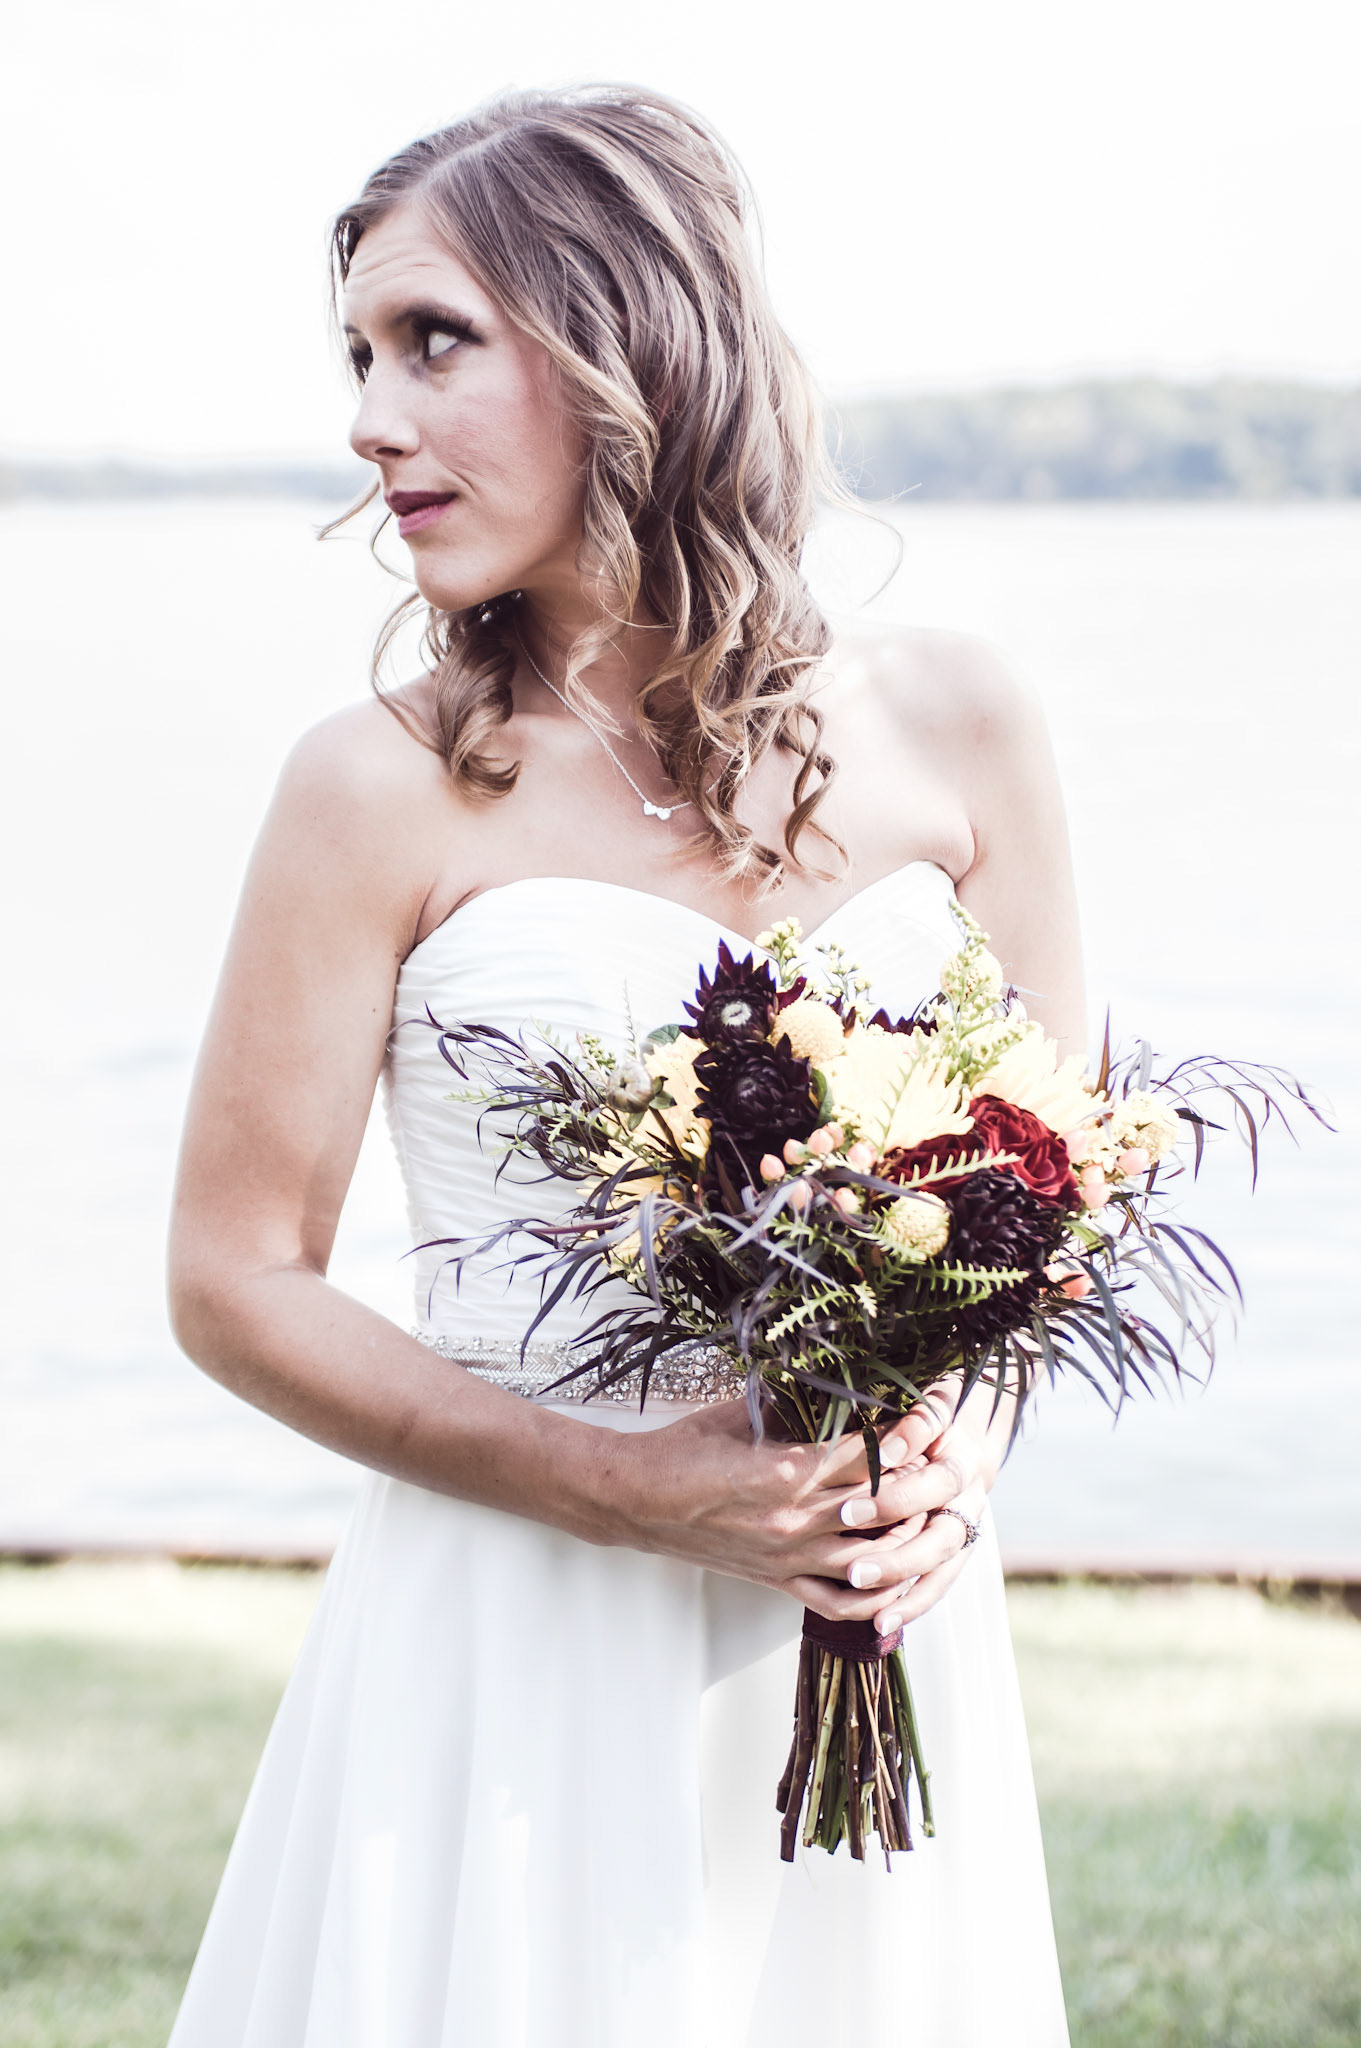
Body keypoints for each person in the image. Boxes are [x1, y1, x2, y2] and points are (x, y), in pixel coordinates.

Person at [166, 84, 1078, 2047]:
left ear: (630, 342)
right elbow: (232, 1278)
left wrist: (950, 1448)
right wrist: (619, 1486)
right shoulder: (371, 788)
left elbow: (1054, 1187)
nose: (369, 420)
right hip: (515, 1636)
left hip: (878, 1615)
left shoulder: (964, 722)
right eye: (357, 357)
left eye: (432, 341)